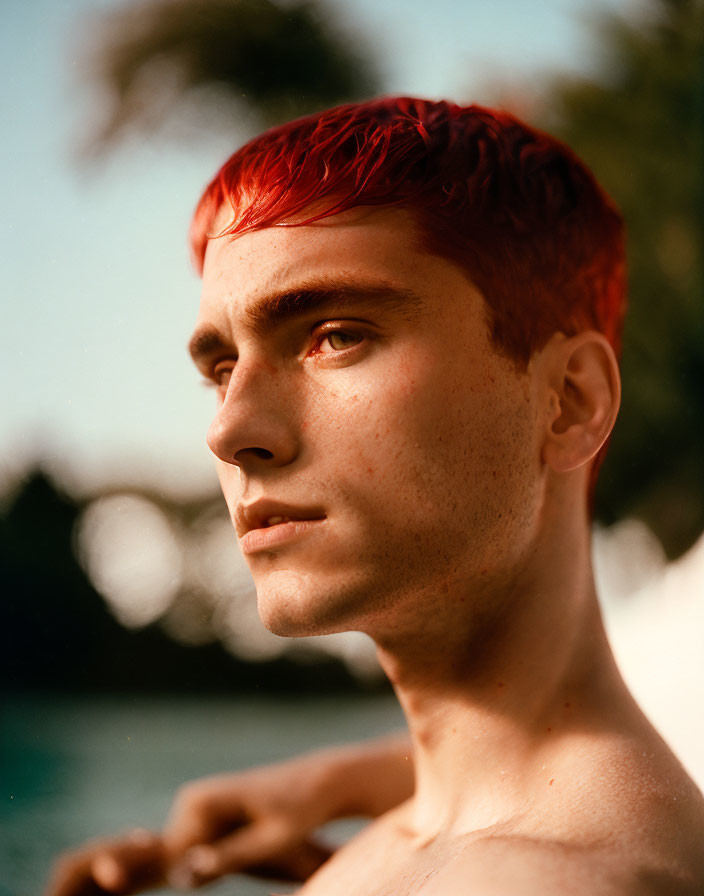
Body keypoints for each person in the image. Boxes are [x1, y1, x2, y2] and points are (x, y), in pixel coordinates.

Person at [46, 97, 704, 896]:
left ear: (568, 399)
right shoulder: (461, 842)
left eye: (336, 335)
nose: (230, 430)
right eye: (221, 369)